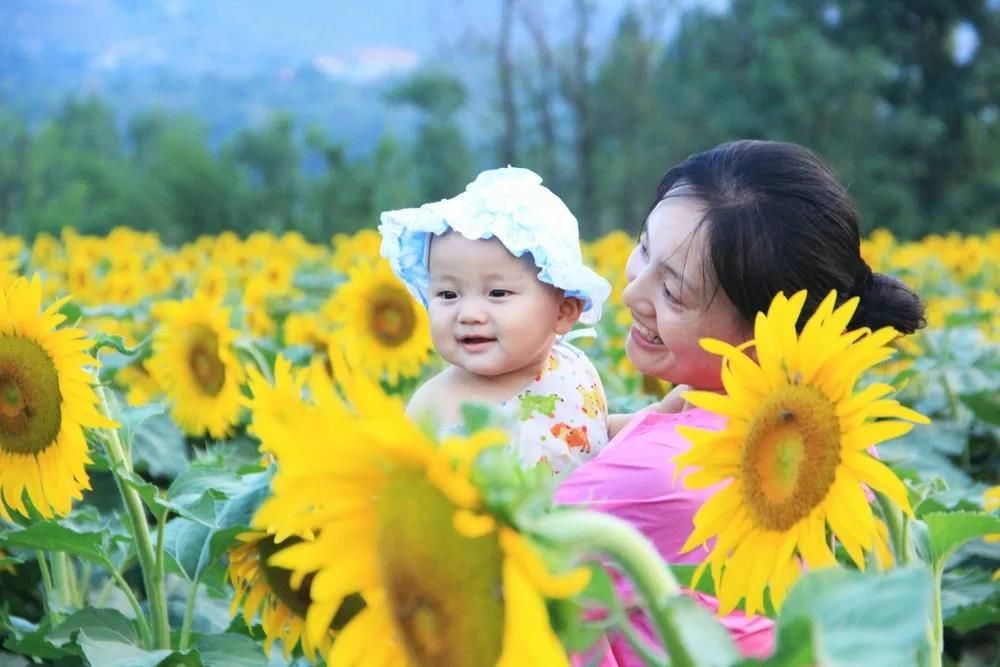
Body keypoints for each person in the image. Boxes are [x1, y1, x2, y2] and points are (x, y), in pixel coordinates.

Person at [556, 139, 926, 663]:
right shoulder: (807, 422)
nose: (632, 293)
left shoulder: (670, 470)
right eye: (643, 248)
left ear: (761, 331)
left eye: (673, 292)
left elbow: (503, 547)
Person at [380, 166, 613, 474]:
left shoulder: (575, 368)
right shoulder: (433, 406)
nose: (469, 314)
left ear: (563, 312)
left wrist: (657, 415)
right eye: (449, 295)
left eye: (497, 293)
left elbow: (597, 434)